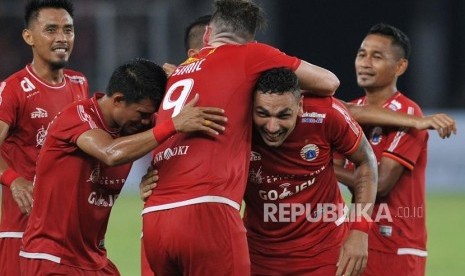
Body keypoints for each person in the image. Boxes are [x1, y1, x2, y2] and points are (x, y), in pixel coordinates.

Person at [141, 0, 340, 275]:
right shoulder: (249, 55)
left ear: (208, 34)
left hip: (154, 218)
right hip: (207, 211)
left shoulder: (178, 72)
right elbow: (329, 82)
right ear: (250, 40)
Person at [19, 58, 227, 275]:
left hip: (93, 259)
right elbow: (111, 153)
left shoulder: (130, 128)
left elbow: (190, 123)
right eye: (143, 114)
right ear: (118, 100)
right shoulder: (77, 116)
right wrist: (173, 124)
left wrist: (182, 78)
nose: (148, 121)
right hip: (51, 257)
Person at [334, 23, 434, 276]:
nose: (365, 63)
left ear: (400, 66)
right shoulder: (351, 109)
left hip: (397, 244)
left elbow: (381, 185)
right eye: (361, 54)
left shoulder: (409, 113)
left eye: (376, 56)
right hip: (358, 237)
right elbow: (335, 166)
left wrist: (326, 167)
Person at [0, 1, 88, 275]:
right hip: (21, 230)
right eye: (51, 30)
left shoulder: (79, 84)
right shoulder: (13, 90)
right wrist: (13, 180)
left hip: (67, 233)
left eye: (68, 30)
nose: (62, 38)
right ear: (29, 37)